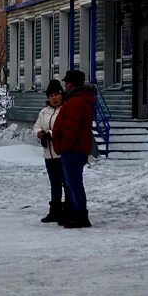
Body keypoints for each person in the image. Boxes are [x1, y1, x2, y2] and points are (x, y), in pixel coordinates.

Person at [52, 70, 96, 228]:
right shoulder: (80, 100)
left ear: (70, 84)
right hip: (77, 148)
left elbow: (71, 128)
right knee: (73, 183)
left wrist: (63, 146)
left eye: (67, 82)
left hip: (72, 149)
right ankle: (76, 213)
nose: (65, 85)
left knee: (74, 183)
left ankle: (80, 215)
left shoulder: (75, 101)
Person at [33, 79, 67, 223]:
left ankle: (68, 210)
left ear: (62, 95)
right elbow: (36, 126)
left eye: (57, 94)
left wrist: (51, 134)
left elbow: (65, 129)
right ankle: (55, 210)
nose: (54, 98)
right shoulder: (44, 112)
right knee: (54, 183)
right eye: (51, 95)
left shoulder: (65, 110)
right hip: (49, 153)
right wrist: (39, 133)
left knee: (67, 183)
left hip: (62, 153)